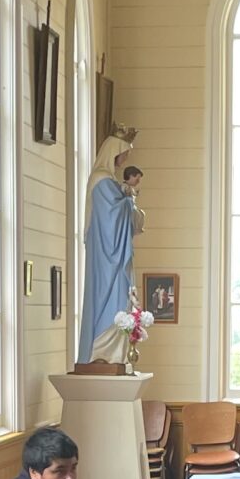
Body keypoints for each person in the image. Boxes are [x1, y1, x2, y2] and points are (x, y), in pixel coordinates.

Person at [79, 140, 142, 365]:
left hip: (113, 250)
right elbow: (111, 216)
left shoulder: (110, 181)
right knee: (109, 294)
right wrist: (129, 201)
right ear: (114, 153)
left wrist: (128, 199)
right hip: (107, 253)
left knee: (121, 296)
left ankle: (116, 353)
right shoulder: (102, 180)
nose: (124, 160)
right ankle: (101, 352)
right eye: (123, 154)